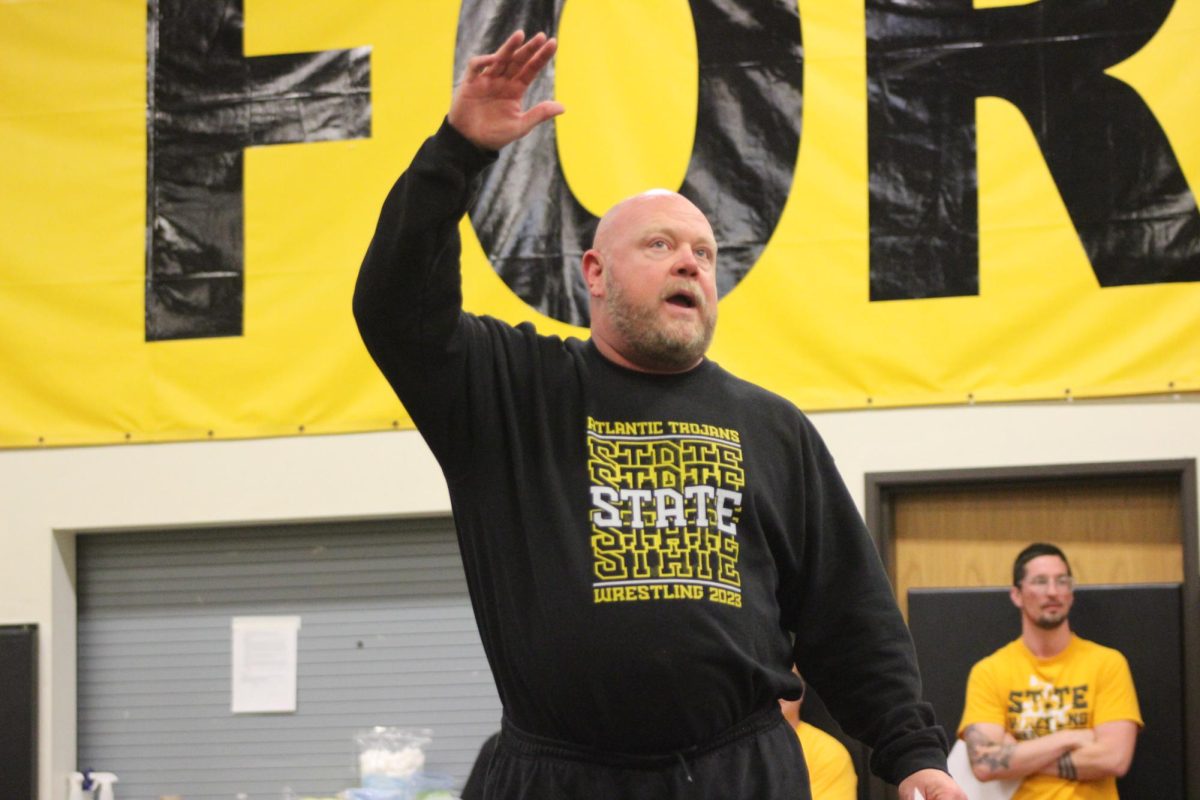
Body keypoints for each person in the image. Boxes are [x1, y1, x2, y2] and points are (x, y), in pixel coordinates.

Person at [354, 29, 964, 800]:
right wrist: (456, 153)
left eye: (705, 254)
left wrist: (914, 755)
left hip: (738, 771)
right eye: (662, 245)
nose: (690, 263)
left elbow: (851, 614)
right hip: (559, 775)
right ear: (595, 274)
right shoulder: (512, 392)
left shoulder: (772, 428)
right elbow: (394, 308)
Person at [957, 543, 1142, 799]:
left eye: (1062, 581)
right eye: (1040, 582)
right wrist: (1068, 738)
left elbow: (1114, 759)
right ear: (1017, 594)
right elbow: (985, 764)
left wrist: (1017, 755)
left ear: (1071, 593)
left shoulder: (1107, 663)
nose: (1053, 592)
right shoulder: (989, 671)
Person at [778, 671, 857, 800]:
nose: (780, 686)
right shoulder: (742, 746)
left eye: (787, 678)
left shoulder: (827, 752)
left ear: (801, 691)